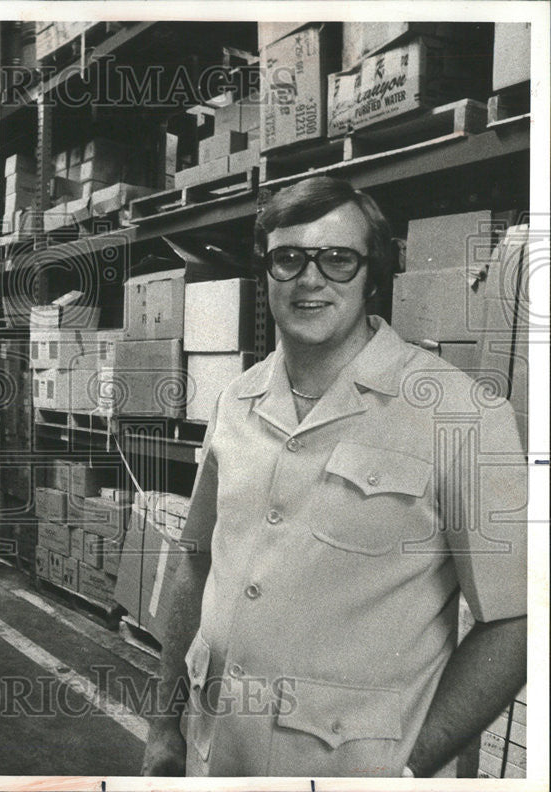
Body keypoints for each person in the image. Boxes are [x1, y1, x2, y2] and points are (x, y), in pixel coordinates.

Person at [141, 176, 527, 778]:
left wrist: (408, 767)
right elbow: (194, 558)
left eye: (338, 259)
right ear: (266, 272)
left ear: (373, 275)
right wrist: (165, 725)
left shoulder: (461, 414)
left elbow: (517, 620)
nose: (310, 278)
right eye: (288, 258)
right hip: (216, 757)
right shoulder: (236, 401)